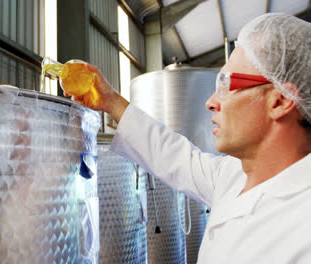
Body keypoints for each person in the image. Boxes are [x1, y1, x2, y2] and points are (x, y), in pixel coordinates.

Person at [69, 13, 311, 263]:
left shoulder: (303, 224)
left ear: (280, 100)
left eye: (226, 84)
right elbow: (173, 155)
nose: (211, 102)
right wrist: (111, 102)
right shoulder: (232, 175)